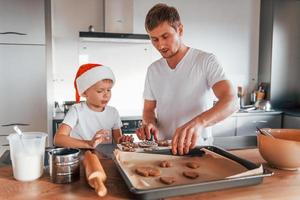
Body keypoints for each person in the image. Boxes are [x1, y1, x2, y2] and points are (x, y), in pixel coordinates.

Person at [136, 4, 239, 155]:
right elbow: (148, 109)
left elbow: (231, 101)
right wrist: (150, 123)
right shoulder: (153, 70)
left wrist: (198, 123)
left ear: (180, 30)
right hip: (163, 150)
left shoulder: (205, 60)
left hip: (198, 149)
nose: (161, 45)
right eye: (154, 39)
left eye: (165, 36)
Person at [54, 63, 132, 149]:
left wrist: (123, 141)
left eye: (109, 90)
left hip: (106, 159)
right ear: (85, 92)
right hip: (82, 157)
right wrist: (89, 144)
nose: (106, 95)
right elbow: (58, 139)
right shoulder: (76, 110)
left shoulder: (113, 112)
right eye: (100, 91)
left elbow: (118, 139)